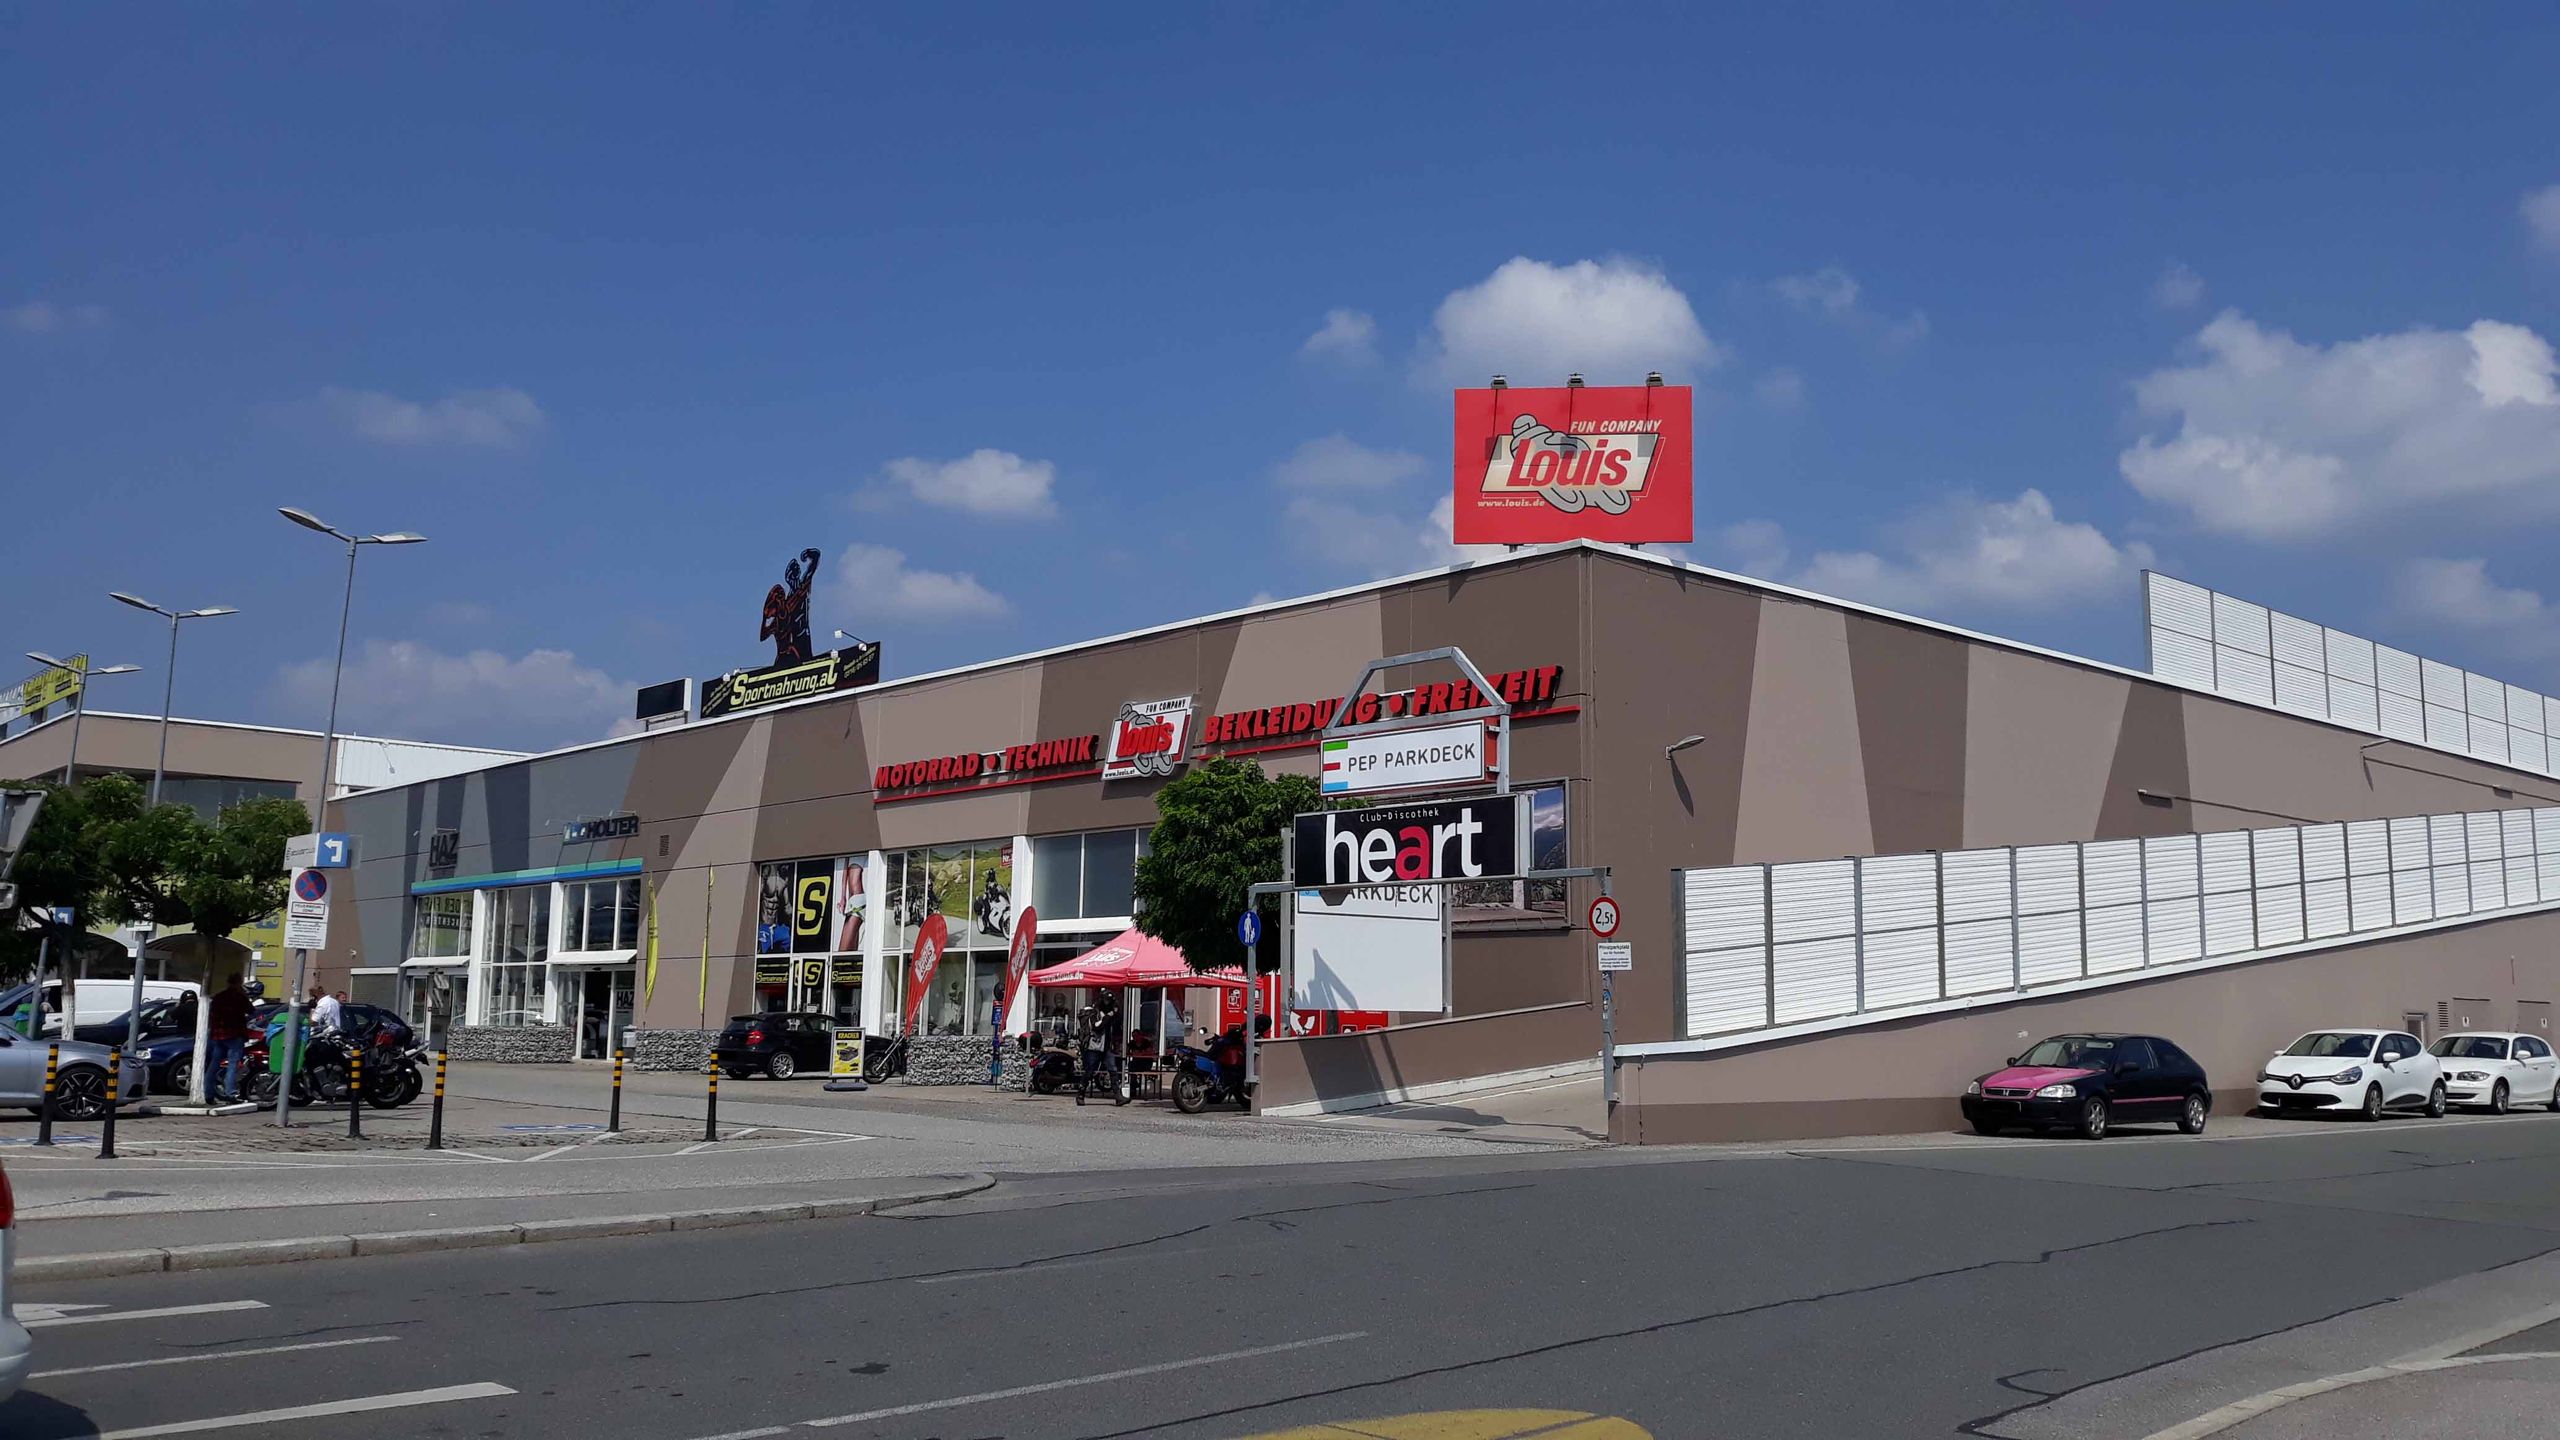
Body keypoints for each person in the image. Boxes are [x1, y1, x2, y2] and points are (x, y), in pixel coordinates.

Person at [205, 974, 250, 1103]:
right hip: (234, 1034)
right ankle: (231, 1093)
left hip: (218, 1035)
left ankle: (208, 1093)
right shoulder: (239, 997)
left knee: (214, 1064)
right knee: (233, 1064)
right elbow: (251, 1010)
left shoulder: (219, 997)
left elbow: (211, 1015)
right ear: (239, 983)